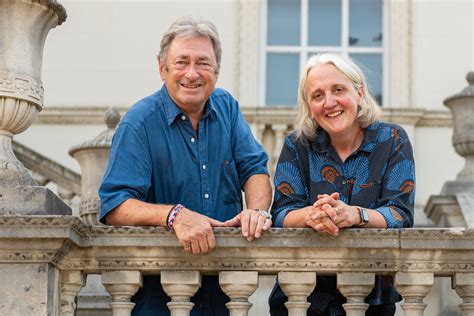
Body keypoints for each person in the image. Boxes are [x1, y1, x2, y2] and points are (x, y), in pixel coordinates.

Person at [98, 16, 272, 316]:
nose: (192, 74)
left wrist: (257, 210)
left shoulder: (227, 107)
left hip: (225, 291)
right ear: (162, 67)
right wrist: (174, 215)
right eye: (181, 62)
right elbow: (115, 205)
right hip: (161, 295)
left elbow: (254, 168)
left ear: (216, 70)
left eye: (203, 63)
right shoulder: (139, 122)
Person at [269, 53, 415, 315]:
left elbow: (400, 214)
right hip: (301, 299)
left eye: (338, 90)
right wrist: (312, 215)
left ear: (359, 93)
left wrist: (355, 215)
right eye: (317, 95)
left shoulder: (393, 139)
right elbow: (280, 215)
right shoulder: (297, 144)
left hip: (372, 300)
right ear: (309, 105)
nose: (329, 103)